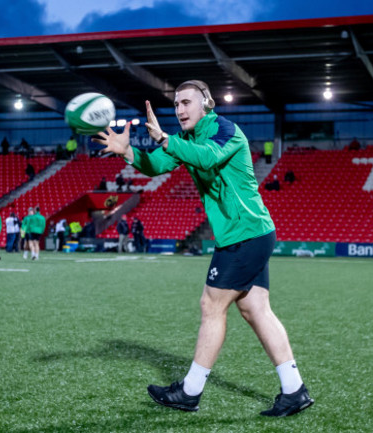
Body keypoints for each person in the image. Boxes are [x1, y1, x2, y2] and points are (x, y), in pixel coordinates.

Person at [93, 79, 313, 417]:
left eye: (186, 102)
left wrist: (165, 140)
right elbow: (157, 164)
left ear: (206, 103)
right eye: (176, 104)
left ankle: (190, 391)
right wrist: (128, 152)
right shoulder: (185, 139)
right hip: (247, 233)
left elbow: (208, 158)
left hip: (245, 233)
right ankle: (294, 390)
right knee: (256, 310)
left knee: (211, 305)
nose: (179, 109)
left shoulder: (225, 129)